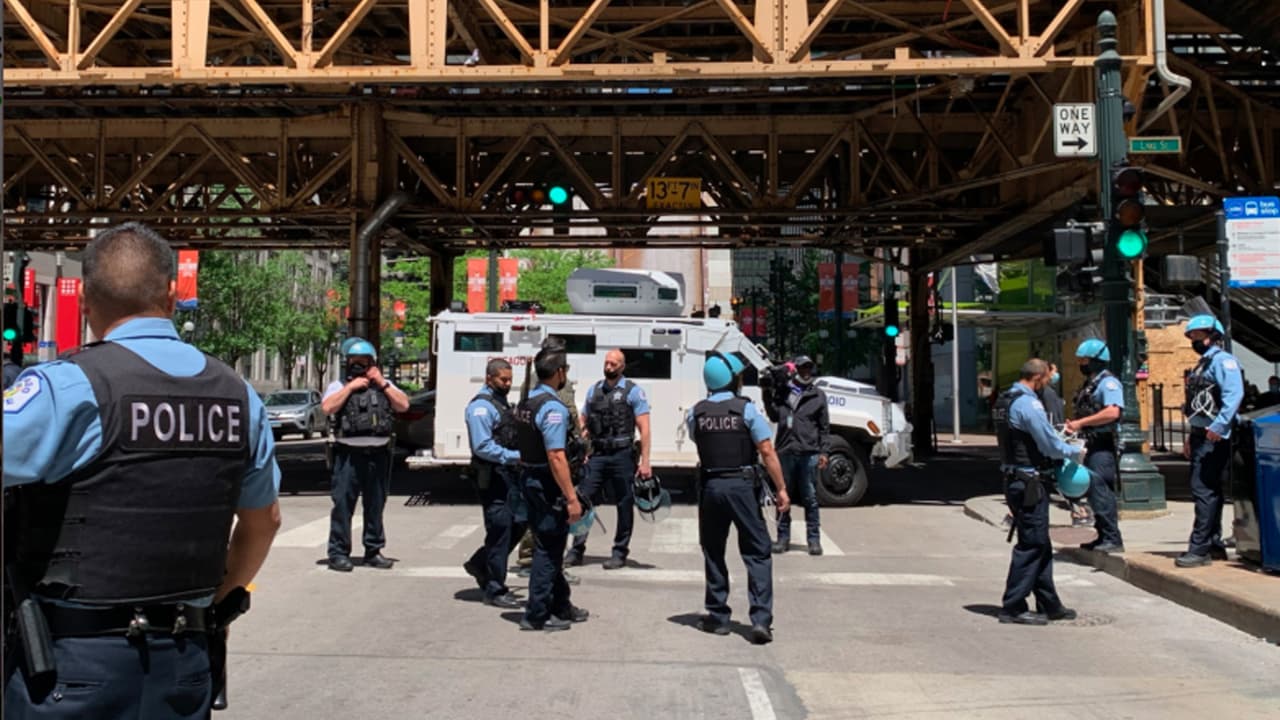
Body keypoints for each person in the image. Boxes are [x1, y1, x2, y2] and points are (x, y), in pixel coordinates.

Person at [2, 222, 281, 717]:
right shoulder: (238, 395)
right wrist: (215, 606)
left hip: (70, 662)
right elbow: (264, 522)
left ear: (84, 299)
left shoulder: (65, 387)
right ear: (173, 294)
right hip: (184, 660)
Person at [688, 351, 790, 644]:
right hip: (742, 487)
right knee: (757, 551)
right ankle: (760, 620)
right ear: (732, 380)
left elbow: (699, 440)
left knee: (713, 550)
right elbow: (767, 450)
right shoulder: (745, 411)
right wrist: (781, 488)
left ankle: (718, 616)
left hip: (710, 487)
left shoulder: (696, 412)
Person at [993, 358, 1085, 625]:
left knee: (1040, 542)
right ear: (1039, 378)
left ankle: (1049, 603)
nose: (1047, 384)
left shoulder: (1004, 400)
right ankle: (1013, 606)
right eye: (1046, 379)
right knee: (1032, 544)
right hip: (1030, 481)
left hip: (1015, 479)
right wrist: (1074, 451)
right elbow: (1048, 444)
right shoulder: (1029, 404)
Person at [514, 348, 589, 631]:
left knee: (551, 548)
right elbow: (556, 455)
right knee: (547, 551)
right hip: (547, 485)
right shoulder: (552, 408)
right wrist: (571, 497)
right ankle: (537, 615)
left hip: (530, 480)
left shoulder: (526, 403)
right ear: (559, 373)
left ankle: (561, 606)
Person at [322, 339, 409, 572]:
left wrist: (381, 383)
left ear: (373, 363)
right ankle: (338, 553)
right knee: (342, 505)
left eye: (364, 362)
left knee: (375, 505)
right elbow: (328, 407)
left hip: (378, 454)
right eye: (354, 362)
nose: (359, 366)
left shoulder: (385, 385)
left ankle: (373, 550)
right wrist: (350, 387)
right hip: (348, 455)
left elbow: (403, 405)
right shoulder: (338, 385)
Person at [567, 348, 651, 569]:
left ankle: (619, 551)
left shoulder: (633, 392)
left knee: (624, 503)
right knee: (584, 499)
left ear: (622, 367)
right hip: (598, 454)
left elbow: (644, 428)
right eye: (607, 363)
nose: (609, 366)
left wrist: (645, 462)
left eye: (613, 363)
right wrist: (581, 449)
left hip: (622, 454)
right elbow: (584, 421)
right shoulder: (594, 390)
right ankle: (576, 550)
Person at [1177, 314, 1244, 568]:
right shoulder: (1203, 365)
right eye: (1192, 336)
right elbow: (1197, 406)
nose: (1195, 340)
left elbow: (1233, 395)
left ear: (1213, 336)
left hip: (1213, 437)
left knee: (1203, 490)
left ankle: (1199, 548)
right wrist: (1190, 436)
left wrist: (1218, 426)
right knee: (1210, 491)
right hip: (1200, 435)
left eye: (1198, 335)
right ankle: (1214, 545)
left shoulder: (1223, 362)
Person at [462, 359, 526, 608]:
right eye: (503, 380)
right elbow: (482, 446)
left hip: (509, 476)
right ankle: (495, 589)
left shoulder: (500, 404)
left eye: (510, 379)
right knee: (500, 530)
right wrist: (515, 457)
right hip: (493, 475)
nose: (508, 384)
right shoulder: (481, 408)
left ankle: (480, 563)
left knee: (519, 523)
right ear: (489, 378)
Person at [762, 355, 830, 555]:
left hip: (808, 451)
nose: (805, 372)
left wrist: (824, 451)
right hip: (785, 450)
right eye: (802, 368)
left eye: (808, 368)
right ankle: (783, 538)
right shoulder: (784, 393)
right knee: (783, 496)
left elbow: (824, 427)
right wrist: (767, 393)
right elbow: (774, 415)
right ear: (796, 371)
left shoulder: (818, 396)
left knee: (810, 497)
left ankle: (814, 540)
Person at [1063, 339, 1125, 553]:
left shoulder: (1108, 383)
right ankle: (1102, 534)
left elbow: (1112, 412)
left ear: (1097, 360)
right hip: (1089, 442)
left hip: (1102, 444)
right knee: (1093, 491)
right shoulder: (1092, 383)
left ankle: (1112, 537)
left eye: (1085, 360)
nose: (1082, 364)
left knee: (1102, 490)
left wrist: (1081, 423)